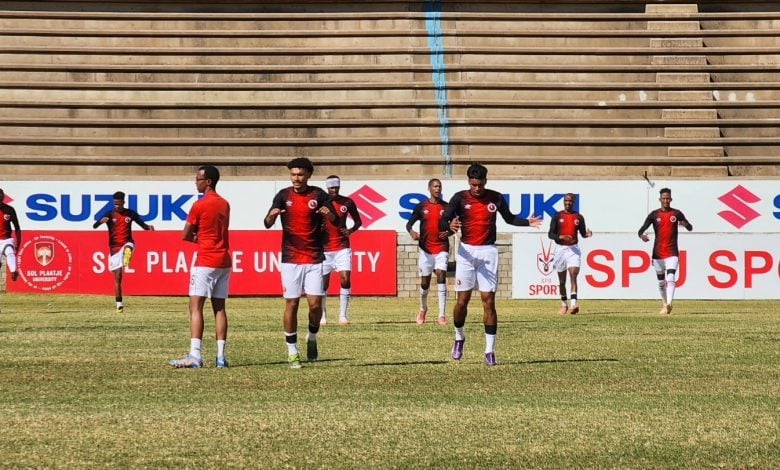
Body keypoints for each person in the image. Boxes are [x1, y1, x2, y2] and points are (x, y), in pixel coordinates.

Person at [439, 164, 542, 366]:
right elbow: (443, 221)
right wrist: (449, 225)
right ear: (469, 182)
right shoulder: (460, 198)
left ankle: (489, 350)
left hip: (488, 252)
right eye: (473, 184)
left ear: (486, 181)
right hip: (467, 252)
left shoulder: (496, 197)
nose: (476, 188)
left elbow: (510, 218)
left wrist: (527, 222)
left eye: (480, 184)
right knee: (462, 301)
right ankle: (459, 337)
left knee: (488, 301)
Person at [264, 157, 336, 369]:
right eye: (293, 174)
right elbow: (267, 223)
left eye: (300, 174)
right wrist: (272, 216)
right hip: (290, 258)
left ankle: (312, 338)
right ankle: (292, 352)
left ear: (309, 176)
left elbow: (336, 220)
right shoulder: (282, 195)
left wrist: (329, 213)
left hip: (314, 257)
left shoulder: (319, 195)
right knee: (292, 303)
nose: (296, 178)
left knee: (315, 305)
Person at [170, 165, 232, 369]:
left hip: (205, 259)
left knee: (195, 306)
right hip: (224, 260)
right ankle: (221, 356)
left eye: (198, 179)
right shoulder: (225, 204)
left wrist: (200, 239)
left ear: (208, 182)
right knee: (219, 308)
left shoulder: (199, 205)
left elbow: (185, 234)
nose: (195, 182)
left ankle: (195, 355)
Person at [92, 191, 154, 313]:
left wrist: (149, 227)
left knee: (129, 246)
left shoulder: (130, 214)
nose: (116, 206)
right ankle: (119, 304)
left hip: (127, 242)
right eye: (114, 203)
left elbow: (142, 225)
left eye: (118, 203)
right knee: (118, 277)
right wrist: (100, 222)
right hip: (114, 247)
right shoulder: (109, 214)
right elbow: (94, 226)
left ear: (123, 202)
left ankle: (127, 254)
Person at [638, 187, 693, 315]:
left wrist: (685, 224)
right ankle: (664, 303)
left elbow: (690, 227)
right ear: (660, 199)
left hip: (672, 252)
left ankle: (669, 304)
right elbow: (641, 230)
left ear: (671, 199)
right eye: (664, 198)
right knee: (661, 282)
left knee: (671, 277)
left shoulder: (676, 214)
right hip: (657, 253)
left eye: (668, 198)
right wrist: (642, 236)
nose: (666, 200)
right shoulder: (654, 215)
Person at [406, 178, 449, 326]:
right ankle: (423, 309)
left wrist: (449, 232)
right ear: (429, 189)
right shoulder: (421, 206)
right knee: (425, 283)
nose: (437, 189)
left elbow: (454, 225)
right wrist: (412, 232)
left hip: (441, 248)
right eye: (435, 186)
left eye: (439, 186)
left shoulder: (447, 207)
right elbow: (409, 223)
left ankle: (442, 314)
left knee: (441, 275)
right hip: (425, 249)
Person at [320, 175, 362, 326]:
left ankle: (343, 316)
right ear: (327, 188)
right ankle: (322, 316)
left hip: (343, 247)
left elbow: (358, 221)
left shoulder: (347, 202)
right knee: (323, 285)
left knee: (345, 279)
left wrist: (350, 231)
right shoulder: (321, 202)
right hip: (325, 248)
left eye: (336, 187)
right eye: (331, 187)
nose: (334, 190)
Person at [548, 193, 592, 315]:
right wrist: (561, 236)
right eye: (566, 200)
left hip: (573, 249)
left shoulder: (579, 217)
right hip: (560, 249)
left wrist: (587, 235)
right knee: (562, 281)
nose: (568, 202)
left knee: (573, 274)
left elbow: (583, 233)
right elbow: (550, 234)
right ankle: (564, 304)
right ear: (563, 202)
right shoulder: (557, 216)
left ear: (574, 202)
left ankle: (573, 304)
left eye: (570, 201)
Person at [0, 188, 21, 284]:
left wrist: (18, 243)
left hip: (6, 239)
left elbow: (17, 227)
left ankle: (13, 272)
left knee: (10, 252)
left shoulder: (9, 210)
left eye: (1, 196)